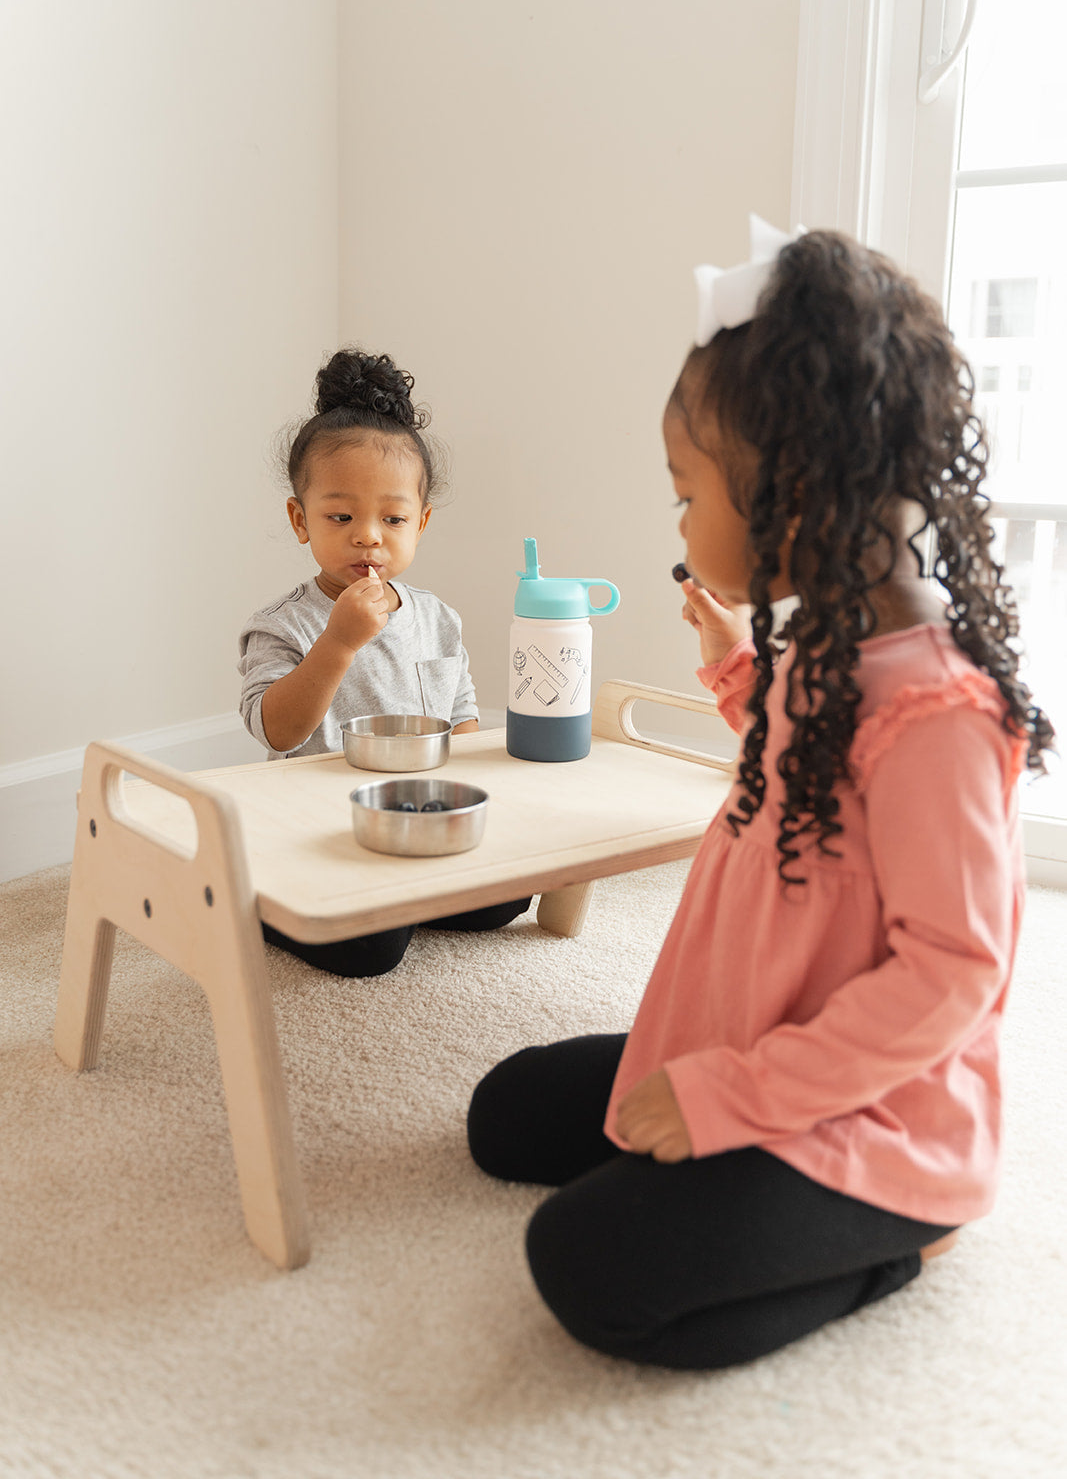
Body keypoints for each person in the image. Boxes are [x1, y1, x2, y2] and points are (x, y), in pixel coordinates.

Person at [466, 223, 1054, 1370]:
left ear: (789, 494)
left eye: (686, 492)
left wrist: (733, 1094)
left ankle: (900, 1238)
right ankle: (731, 1138)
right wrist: (744, 670)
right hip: (765, 1027)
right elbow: (810, 788)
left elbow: (951, 972)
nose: (677, 521)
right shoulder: (833, 644)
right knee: (505, 1114)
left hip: (877, 1116)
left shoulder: (937, 712)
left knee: (585, 1265)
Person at [239, 347, 528, 977]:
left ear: (419, 524)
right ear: (300, 520)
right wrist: (338, 643)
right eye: (341, 516)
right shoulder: (283, 623)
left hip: (411, 821)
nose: (368, 535)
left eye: (392, 518)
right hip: (315, 832)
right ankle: (263, 902)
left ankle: (403, 897)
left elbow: (460, 720)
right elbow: (276, 729)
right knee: (369, 951)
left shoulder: (436, 617)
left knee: (509, 898)